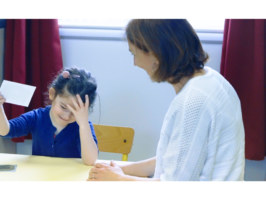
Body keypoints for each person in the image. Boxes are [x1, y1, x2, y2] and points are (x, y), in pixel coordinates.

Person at [87, 18, 245, 183]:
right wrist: (120, 170)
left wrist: (119, 179)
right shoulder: (212, 79)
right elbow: (176, 160)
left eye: (135, 54)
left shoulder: (192, 102)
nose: (135, 63)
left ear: (155, 55)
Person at [0, 67, 99, 166]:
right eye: (63, 107)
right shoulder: (37, 117)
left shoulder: (83, 126)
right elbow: (5, 131)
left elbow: (90, 161)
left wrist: (83, 125)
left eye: (75, 112)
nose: (67, 115)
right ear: (52, 94)